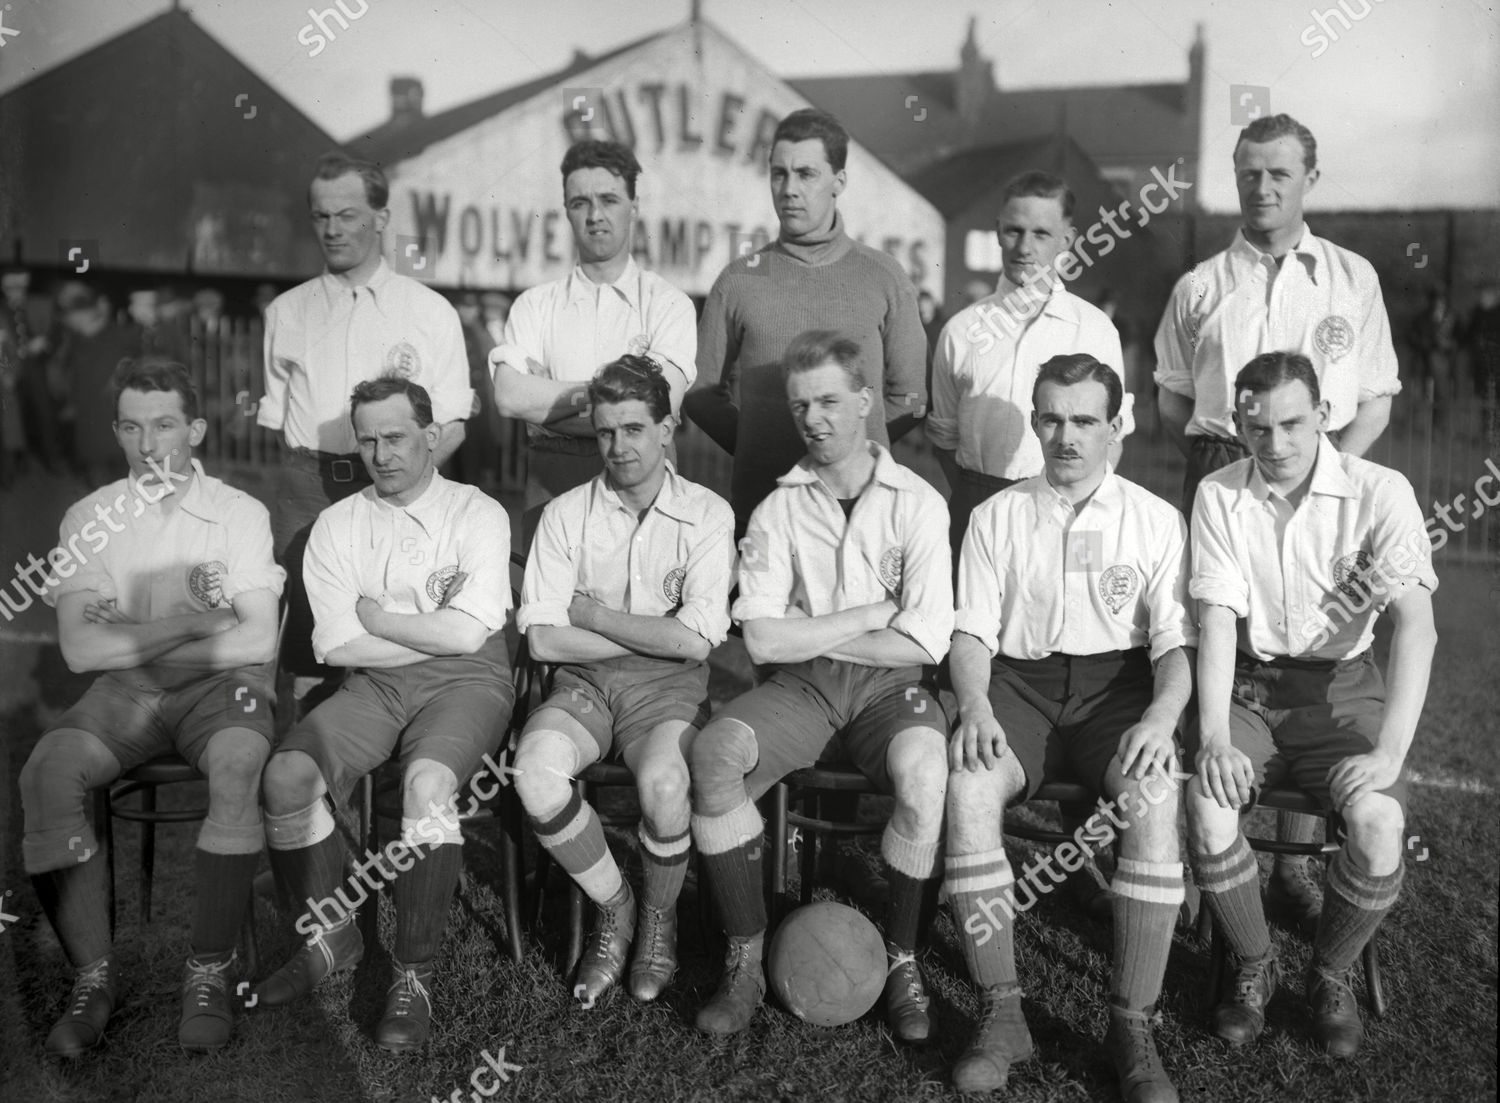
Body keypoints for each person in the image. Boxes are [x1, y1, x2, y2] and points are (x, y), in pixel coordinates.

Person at [1153, 113, 1401, 921]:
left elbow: (1377, 395)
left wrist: (1335, 470)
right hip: (1224, 472)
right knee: (1214, 630)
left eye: (1280, 174)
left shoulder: (1350, 276)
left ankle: (1296, 860)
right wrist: (1232, 460)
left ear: (1309, 180)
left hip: (1327, 475)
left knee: (1311, 640)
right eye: (1249, 172)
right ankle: (1202, 853)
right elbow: (1171, 395)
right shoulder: (1200, 285)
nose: (1263, 187)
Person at [943, 354, 1194, 1099]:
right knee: (968, 786)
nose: (1067, 436)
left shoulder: (1154, 518)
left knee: (1153, 796)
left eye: (1085, 419)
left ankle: (1131, 1023)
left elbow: (1176, 647)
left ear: (1116, 426)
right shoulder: (996, 515)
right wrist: (977, 704)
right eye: (1051, 417)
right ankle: (1002, 1011)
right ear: (1034, 419)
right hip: (1018, 686)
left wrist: (1159, 714)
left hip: (1119, 691)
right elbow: (970, 637)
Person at [689, 331, 952, 1040]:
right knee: (715, 753)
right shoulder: (780, 508)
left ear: (866, 401)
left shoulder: (919, 503)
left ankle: (900, 959)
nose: (815, 418)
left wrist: (814, 623)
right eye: (802, 404)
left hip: (891, 689)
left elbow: (925, 640)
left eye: (831, 400)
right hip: (803, 688)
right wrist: (870, 611)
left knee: (927, 773)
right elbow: (765, 639)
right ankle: (744, 956)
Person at [19, 359, 285, 1055]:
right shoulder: (89, 517)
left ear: (194, 428)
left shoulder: (238, 512)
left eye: (165, 423)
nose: (149, 442)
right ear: (116, 432)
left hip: (219, 687)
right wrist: (197, 623)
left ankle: (208, 970)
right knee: (47, 769)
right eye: (132, 426)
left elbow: (257, 635)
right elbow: (80, 650)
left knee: (236, 758)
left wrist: (134, 637)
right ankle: (93, 979)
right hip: (128, 691)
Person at [1186, 352, 1437, 1059]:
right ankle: (1255, 962)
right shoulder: (1218, 493)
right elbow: (1213, 622)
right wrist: (1211, 735)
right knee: (1206, 805)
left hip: (1342, 688)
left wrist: (1388, 752)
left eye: (1293, 423)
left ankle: (1331, 973)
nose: (1277, 443)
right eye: (1258, 426)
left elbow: (1417, 625)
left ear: (1325, 416)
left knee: (1378, 820)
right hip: (1252, 688)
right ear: (1238, 422)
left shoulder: (1380, 490)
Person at [254, 376, 513, 1052]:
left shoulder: (477, 512)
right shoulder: (338, 525)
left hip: (467, 682)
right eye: (367, 440)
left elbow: (469, 637)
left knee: (428, 785)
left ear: (431, 436)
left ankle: (411, 975)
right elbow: (334, 643)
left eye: (395, 436)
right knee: (285, 776)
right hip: (372, 685)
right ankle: (331, 932)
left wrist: (382, 618)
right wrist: (418, 626)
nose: (381, 453)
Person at [514, 355, 733, 1007]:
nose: (619, 446)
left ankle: (660, 920)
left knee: (664, 783)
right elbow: (544, 639)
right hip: (583, 683)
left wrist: (593, 612)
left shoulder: (708, 514)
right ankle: (617, 904)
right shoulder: (564, 515)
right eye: (607, 431)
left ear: (668, 429)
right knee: (535, 772)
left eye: (635, 428)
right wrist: (647, 629)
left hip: (670, 690)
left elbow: (695, 640)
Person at [255, 151, 472, 707]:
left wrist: (404, 482)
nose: (332, 229)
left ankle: (397, 758)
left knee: (397, 625)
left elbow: (450, 425)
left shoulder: (429, 311)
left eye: (347, 214)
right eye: (321, 216)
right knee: (311, 640)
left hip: (402, 488)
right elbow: (281, 423)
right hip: (310, 487)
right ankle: (311, 783)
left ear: (380, 217)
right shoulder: (286, 312)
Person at [685, 108, 928, 539]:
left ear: (839, 181)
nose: (789, 189)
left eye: (806, 174)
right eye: (779, 174)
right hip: (763, 511)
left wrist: (847, 443)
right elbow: (702, 394)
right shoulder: (739, 278)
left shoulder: (885, 276)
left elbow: (911, 397)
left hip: (861, 516)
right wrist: (759, 443)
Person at [488, 140, 695, 539]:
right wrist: (621, 395)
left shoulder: (668, 303)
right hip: (553, 480)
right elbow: (510, 398)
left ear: (634, 205)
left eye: (609, 199)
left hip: (644, 480)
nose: (595, 215)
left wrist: (548, 405)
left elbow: (662, 404)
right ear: (565, 209)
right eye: (580, 202)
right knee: (547, 601)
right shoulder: (535, 305)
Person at [929, 171, 1129, 557]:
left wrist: (1074, 504)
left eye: (1041, 234)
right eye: (1013, 231)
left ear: (1066, 240)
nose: (1024, 247)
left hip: (1065, 506)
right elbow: (943, 439)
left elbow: (1113, 438)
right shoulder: (961, 330)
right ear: (998, 230)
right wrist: (983, 497)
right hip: (976, 503)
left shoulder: (1094, 329)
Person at [54, 283, 141, 486]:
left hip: (114, 428)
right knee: (103, 485)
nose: (66, 321)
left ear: (80, 314)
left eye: (68, 315)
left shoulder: (119, 336)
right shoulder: (73, 341)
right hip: (94, 430)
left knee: (119, 483)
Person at [1, 265, 62, 470]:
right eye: (10, 286)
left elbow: (57, 334)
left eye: (19, 286)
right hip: (7, 367)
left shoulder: (41, 304)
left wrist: (44, 342)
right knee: (12, 416)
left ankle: (51, 458)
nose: (15, 291)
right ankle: (17, 461)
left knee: (44, 412)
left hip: (36, 366)